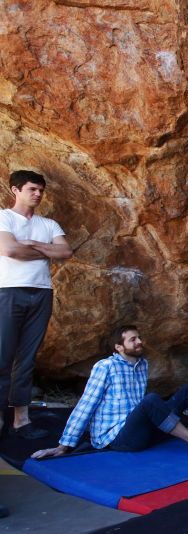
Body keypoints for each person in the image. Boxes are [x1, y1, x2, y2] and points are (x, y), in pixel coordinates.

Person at [31, 325, 188, 459]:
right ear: (119, 347)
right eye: (133, 339)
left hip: (137, 429)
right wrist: (64, 445)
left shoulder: (141, 364)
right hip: (118, 438)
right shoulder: (105, 366)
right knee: (151, 400)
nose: (139, 342)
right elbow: (86, 405)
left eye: (139, 338)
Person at [0, 170, 72, 440]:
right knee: (2, 357)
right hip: (7, 291)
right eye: (32, 189)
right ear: (15, 190)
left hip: (41, 293)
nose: (38, 194)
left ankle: (21, 420)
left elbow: (66, 252)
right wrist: (44, 250)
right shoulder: (4, 217)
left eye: (41, 190)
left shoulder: (49, 224)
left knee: (27, 359)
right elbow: (9, 250)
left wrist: (30, 243)